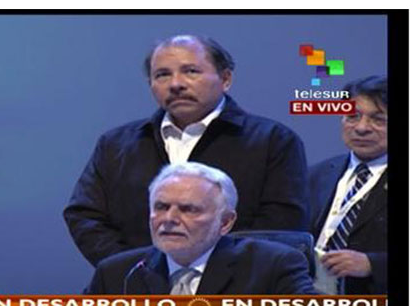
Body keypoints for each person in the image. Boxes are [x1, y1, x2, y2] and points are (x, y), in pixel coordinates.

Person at [64, 34, 309, 267]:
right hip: (135, 286)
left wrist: (212, 274)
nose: (176, 84)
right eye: (162, 75)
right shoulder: (117, 144)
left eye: (191, 71)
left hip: (236, 287)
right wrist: (134, 269)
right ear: (150, 84)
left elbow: (281, 226)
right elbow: (85, 215)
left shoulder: (273, 140)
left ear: (225, 79)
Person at [85, 162, 316, 295]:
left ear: (225, 222)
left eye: (188, 209)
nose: (169, 219)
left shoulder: (273, 266)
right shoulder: (117, 273)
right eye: (161, 207)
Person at [309, 76, 387, 294]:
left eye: (378, 119)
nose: (361, 128)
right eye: (352, 116)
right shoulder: (317, 174)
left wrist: (373, 264)